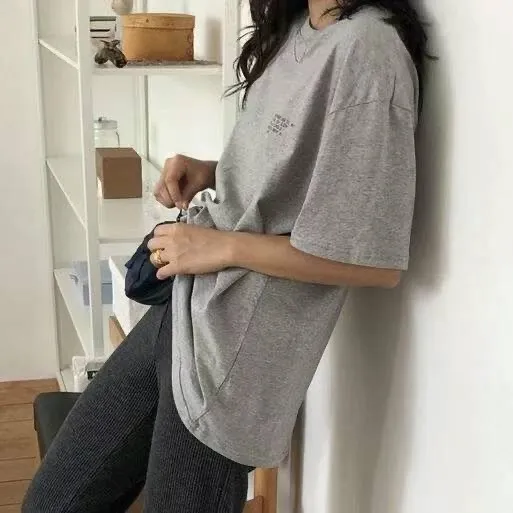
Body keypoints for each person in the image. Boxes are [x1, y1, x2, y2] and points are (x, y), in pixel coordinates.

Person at [23, 0, 428, 511]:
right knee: (54, 501)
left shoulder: (368, 51)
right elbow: (295, 176)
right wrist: (214, 171)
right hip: (185, 310)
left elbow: (374, 261)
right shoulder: (299, 25)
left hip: (234, 364)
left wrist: (221, 247)